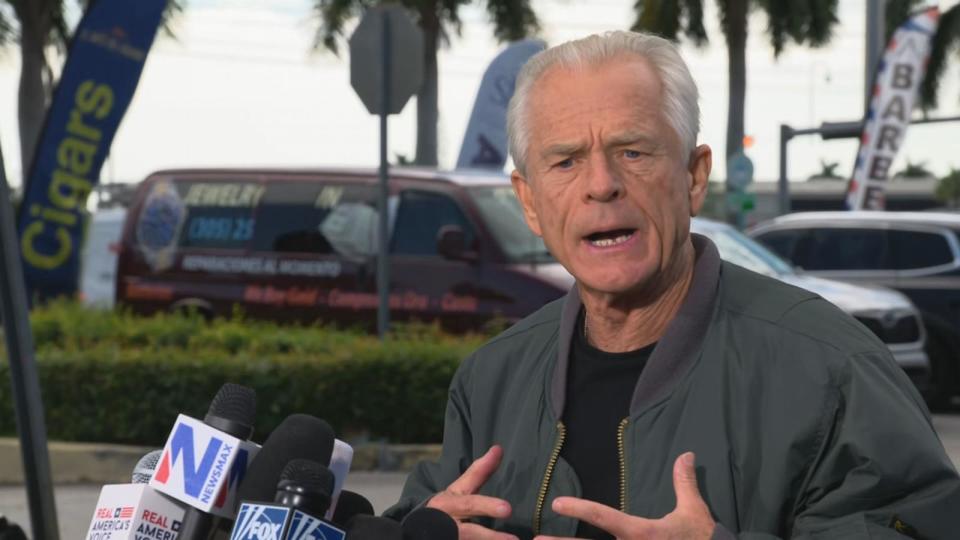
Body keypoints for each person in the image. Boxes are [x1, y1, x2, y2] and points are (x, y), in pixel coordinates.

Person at [384, 31, 960, 539]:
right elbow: (424, 510)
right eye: (565, 162)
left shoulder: (832, 370)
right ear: (529, 202)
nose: (602, 185)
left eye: (632, 152)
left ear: (693, 177)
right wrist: (423, 531)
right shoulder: (491, 379)